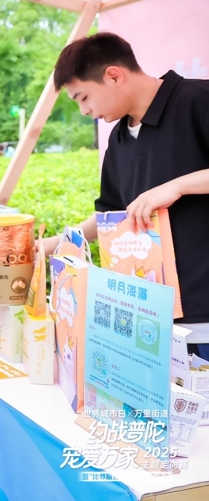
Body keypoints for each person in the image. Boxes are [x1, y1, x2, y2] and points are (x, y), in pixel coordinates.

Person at [51, 32, 209, 359]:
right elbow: (111, 219)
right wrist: (54, 243)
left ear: (113, 76)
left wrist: (177, 186)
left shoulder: (198, 99)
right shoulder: (119, 139)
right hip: (151, 324)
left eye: (83, 97)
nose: (84, 111)